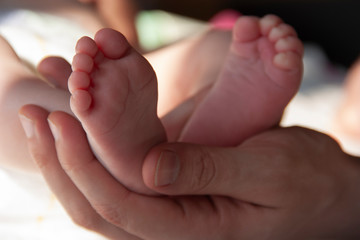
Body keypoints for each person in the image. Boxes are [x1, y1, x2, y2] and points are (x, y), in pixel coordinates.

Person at [67, 15, 303, 194]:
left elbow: (123, 34)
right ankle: (130, 157)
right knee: (47, 100)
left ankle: (215, 118)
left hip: (101, 56)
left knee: (220, 43)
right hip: (59, 66)